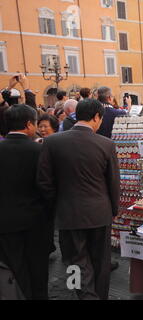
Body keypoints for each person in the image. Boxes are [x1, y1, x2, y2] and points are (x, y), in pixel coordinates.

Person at [37, 99, 120, 300]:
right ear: (96, 117)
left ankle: (82, 295)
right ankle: (98, 296)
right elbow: (113, 182)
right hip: (99, 213)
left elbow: (44, 181)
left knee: (74, 261)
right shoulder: (106, 144)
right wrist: (113, 210)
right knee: (100, 262)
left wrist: (57, 204)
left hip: (68, 213)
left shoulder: (52, 142)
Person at [0, 104, 49, 299]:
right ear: (29, 124)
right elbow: (47, 187)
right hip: (36, 221)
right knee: (38, 269)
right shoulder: (39, 150)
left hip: (5, 222)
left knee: (14, 269)